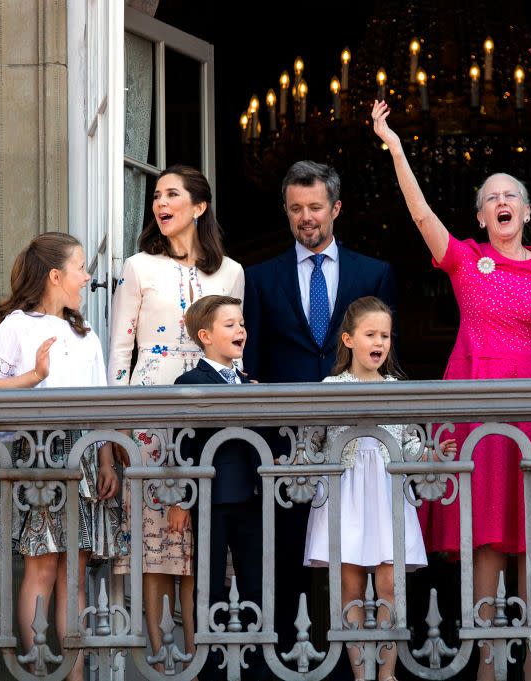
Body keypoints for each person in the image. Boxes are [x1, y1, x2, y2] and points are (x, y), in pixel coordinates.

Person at [371, 100, 531, 681]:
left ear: (528, 212)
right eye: (491, 198)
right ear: (481, 217)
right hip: (478, 402)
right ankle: (488, 666)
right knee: (487, 537)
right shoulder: (467, 260)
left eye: (511, 195)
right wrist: (395, 147)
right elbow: (419, 214)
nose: (502, 202)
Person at [242, 160, 397, 650]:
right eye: (295, 209)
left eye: (314, 207)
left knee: (363, 557)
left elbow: (389, 356)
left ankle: (368, 660)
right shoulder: (260, 278)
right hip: (286, 444)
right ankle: (288, 656)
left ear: (336, 208)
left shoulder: (374, 272)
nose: (305, 217)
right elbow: (253, 361)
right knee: (287, 557)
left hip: (359, 441)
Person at [108, 164, 244, 662]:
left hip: (210, 418)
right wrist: (113, 433)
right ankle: (162, 662)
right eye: (156, 195)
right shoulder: (139, 266)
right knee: (157, 545)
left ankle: (203, 657)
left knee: (205, 546)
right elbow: (121, 351)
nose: (160, 203)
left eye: (171, 194)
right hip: (149, 417)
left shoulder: (231, 272)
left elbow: (236, 349)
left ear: (199, 206)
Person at [0, 232, 124, 681]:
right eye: (81, 266)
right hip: (38, 451)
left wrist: (105, 460)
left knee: (75, 571)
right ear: (56, 275)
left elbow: (99, 405)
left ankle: (74, 675)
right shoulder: (17, 325)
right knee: (41, 564)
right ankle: (40, 670)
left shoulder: (86, 332)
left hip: (83, 454)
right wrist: (34, 376)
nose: (88, 275)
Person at [303, 296, 456, 681]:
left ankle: (386, 673)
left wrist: (431, 454)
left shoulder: (397, 387)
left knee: (390, 582)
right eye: (370, 334)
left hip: (387, 491)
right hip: (347, 490)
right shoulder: (331, 386)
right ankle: (360, 673)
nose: (379, 342)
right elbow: (312, 442)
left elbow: (407, 446)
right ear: (349, 339)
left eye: (385, 335)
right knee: (350, 584)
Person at [174, 295, 266, 679]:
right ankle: (209, 667)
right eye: (230, 325)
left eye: (241, 324)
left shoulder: (248, 380)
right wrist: (181, 498)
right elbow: (183, 443)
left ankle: (256, 666)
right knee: (209, 584)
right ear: (205, 336)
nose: (240, 330)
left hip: (251, 496)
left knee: (255, 583)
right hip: (211, 497)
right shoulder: (190, 381)